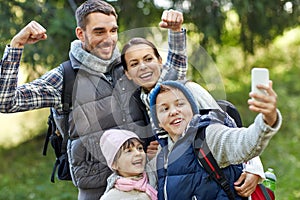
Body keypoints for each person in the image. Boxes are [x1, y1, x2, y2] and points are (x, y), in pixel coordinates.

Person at [0, 0, 186, 199]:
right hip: (96, 192)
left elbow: (172, 82)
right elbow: (7, 101)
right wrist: (16, 46)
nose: (108, 39)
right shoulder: (65, 78)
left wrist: (175, 32)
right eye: (99, 32)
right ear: (81, 34)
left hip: (147, 183)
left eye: (113, 31)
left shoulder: (128, 66)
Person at [121, 37, 268, 197]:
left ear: (160, 61)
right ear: (127, 73)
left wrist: (254, 168)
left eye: (148, 59)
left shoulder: (189, 90)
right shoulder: (138, 104)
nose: (143, 67)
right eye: (134, 64)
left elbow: (229, 129)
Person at [148, 80, 282, 199]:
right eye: (164, 109)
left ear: (193, 109)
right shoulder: (162, 155)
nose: (173, 111)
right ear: (158, 122)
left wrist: (267, 120)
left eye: (180, 104)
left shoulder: (207, 136)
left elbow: (243, 142)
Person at [99, 129, 157, 200]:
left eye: (140, 148)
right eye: (129, 151)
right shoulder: (111, 197)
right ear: (114, 164)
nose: (138, 153)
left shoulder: (153, 175)